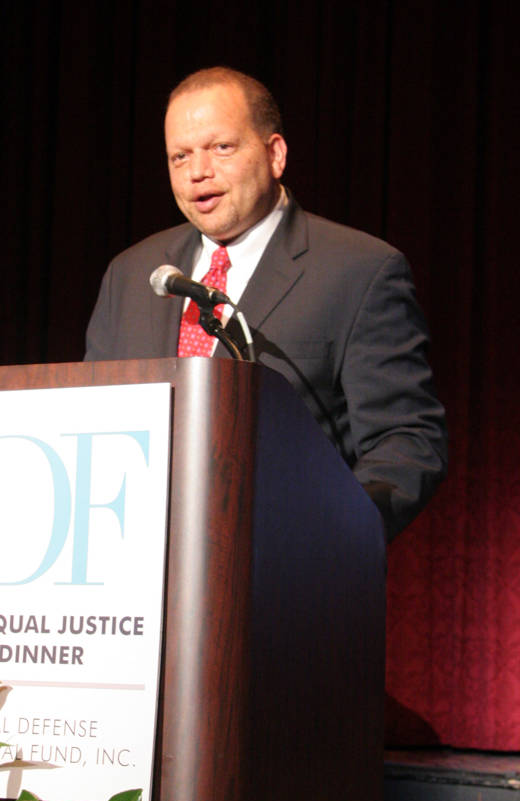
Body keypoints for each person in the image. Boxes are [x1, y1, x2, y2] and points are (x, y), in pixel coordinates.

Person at [85, 67, 447, 540]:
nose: (198, 172)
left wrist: (331, 540)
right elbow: (93, 426)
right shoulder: (132, 274)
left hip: (286, 573)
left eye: (221, 148)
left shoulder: (359, 271)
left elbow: (406, 444)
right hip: (135, 565)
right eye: (180, 156)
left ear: (275, 154)